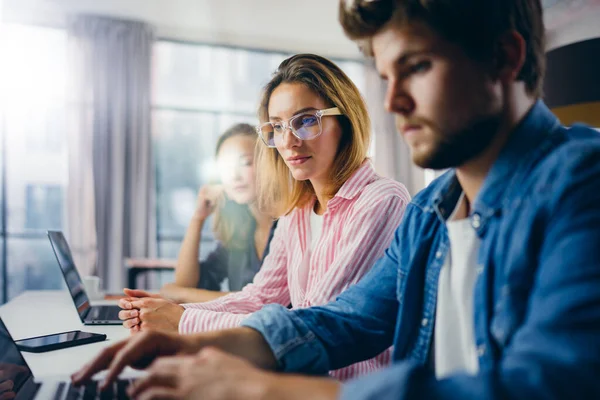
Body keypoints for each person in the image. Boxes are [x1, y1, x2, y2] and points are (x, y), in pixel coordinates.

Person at [73, 0, 600, 398]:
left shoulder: (582, 184)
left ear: (504, 58)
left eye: (416, 67)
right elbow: (348, 318)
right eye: (387, 76)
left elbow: (542, 385)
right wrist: (191, 342)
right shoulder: (432, 210)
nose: (393, 102)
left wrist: (265, 387)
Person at [115, 53, 410, 381]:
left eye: (306, 120)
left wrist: (181, 320)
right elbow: (261, 298)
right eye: (278, 127)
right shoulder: (296, 212)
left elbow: (313, 320)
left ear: (345, 120)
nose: (288, 141)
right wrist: (172, 313)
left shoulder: (382, 201)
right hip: (292, 379)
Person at [154, 123, 276, 305]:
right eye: (226, 165)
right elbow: (188, 283)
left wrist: (182, 295)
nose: (234, 175)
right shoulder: (241, 231)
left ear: (269, 164)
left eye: (245, 163)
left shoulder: (289, 225)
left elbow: (264, 302)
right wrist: (198, 217)